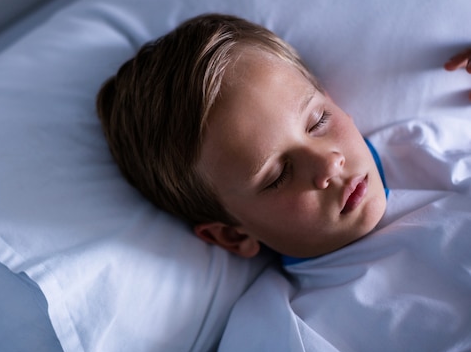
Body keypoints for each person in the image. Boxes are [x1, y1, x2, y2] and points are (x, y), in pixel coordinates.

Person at [96, 13, 471, 261]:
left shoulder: (427, 149)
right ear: (231, 235)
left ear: (334, 103)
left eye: (319, 121)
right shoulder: (296, 338)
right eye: (276, 176)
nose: (328, 162)